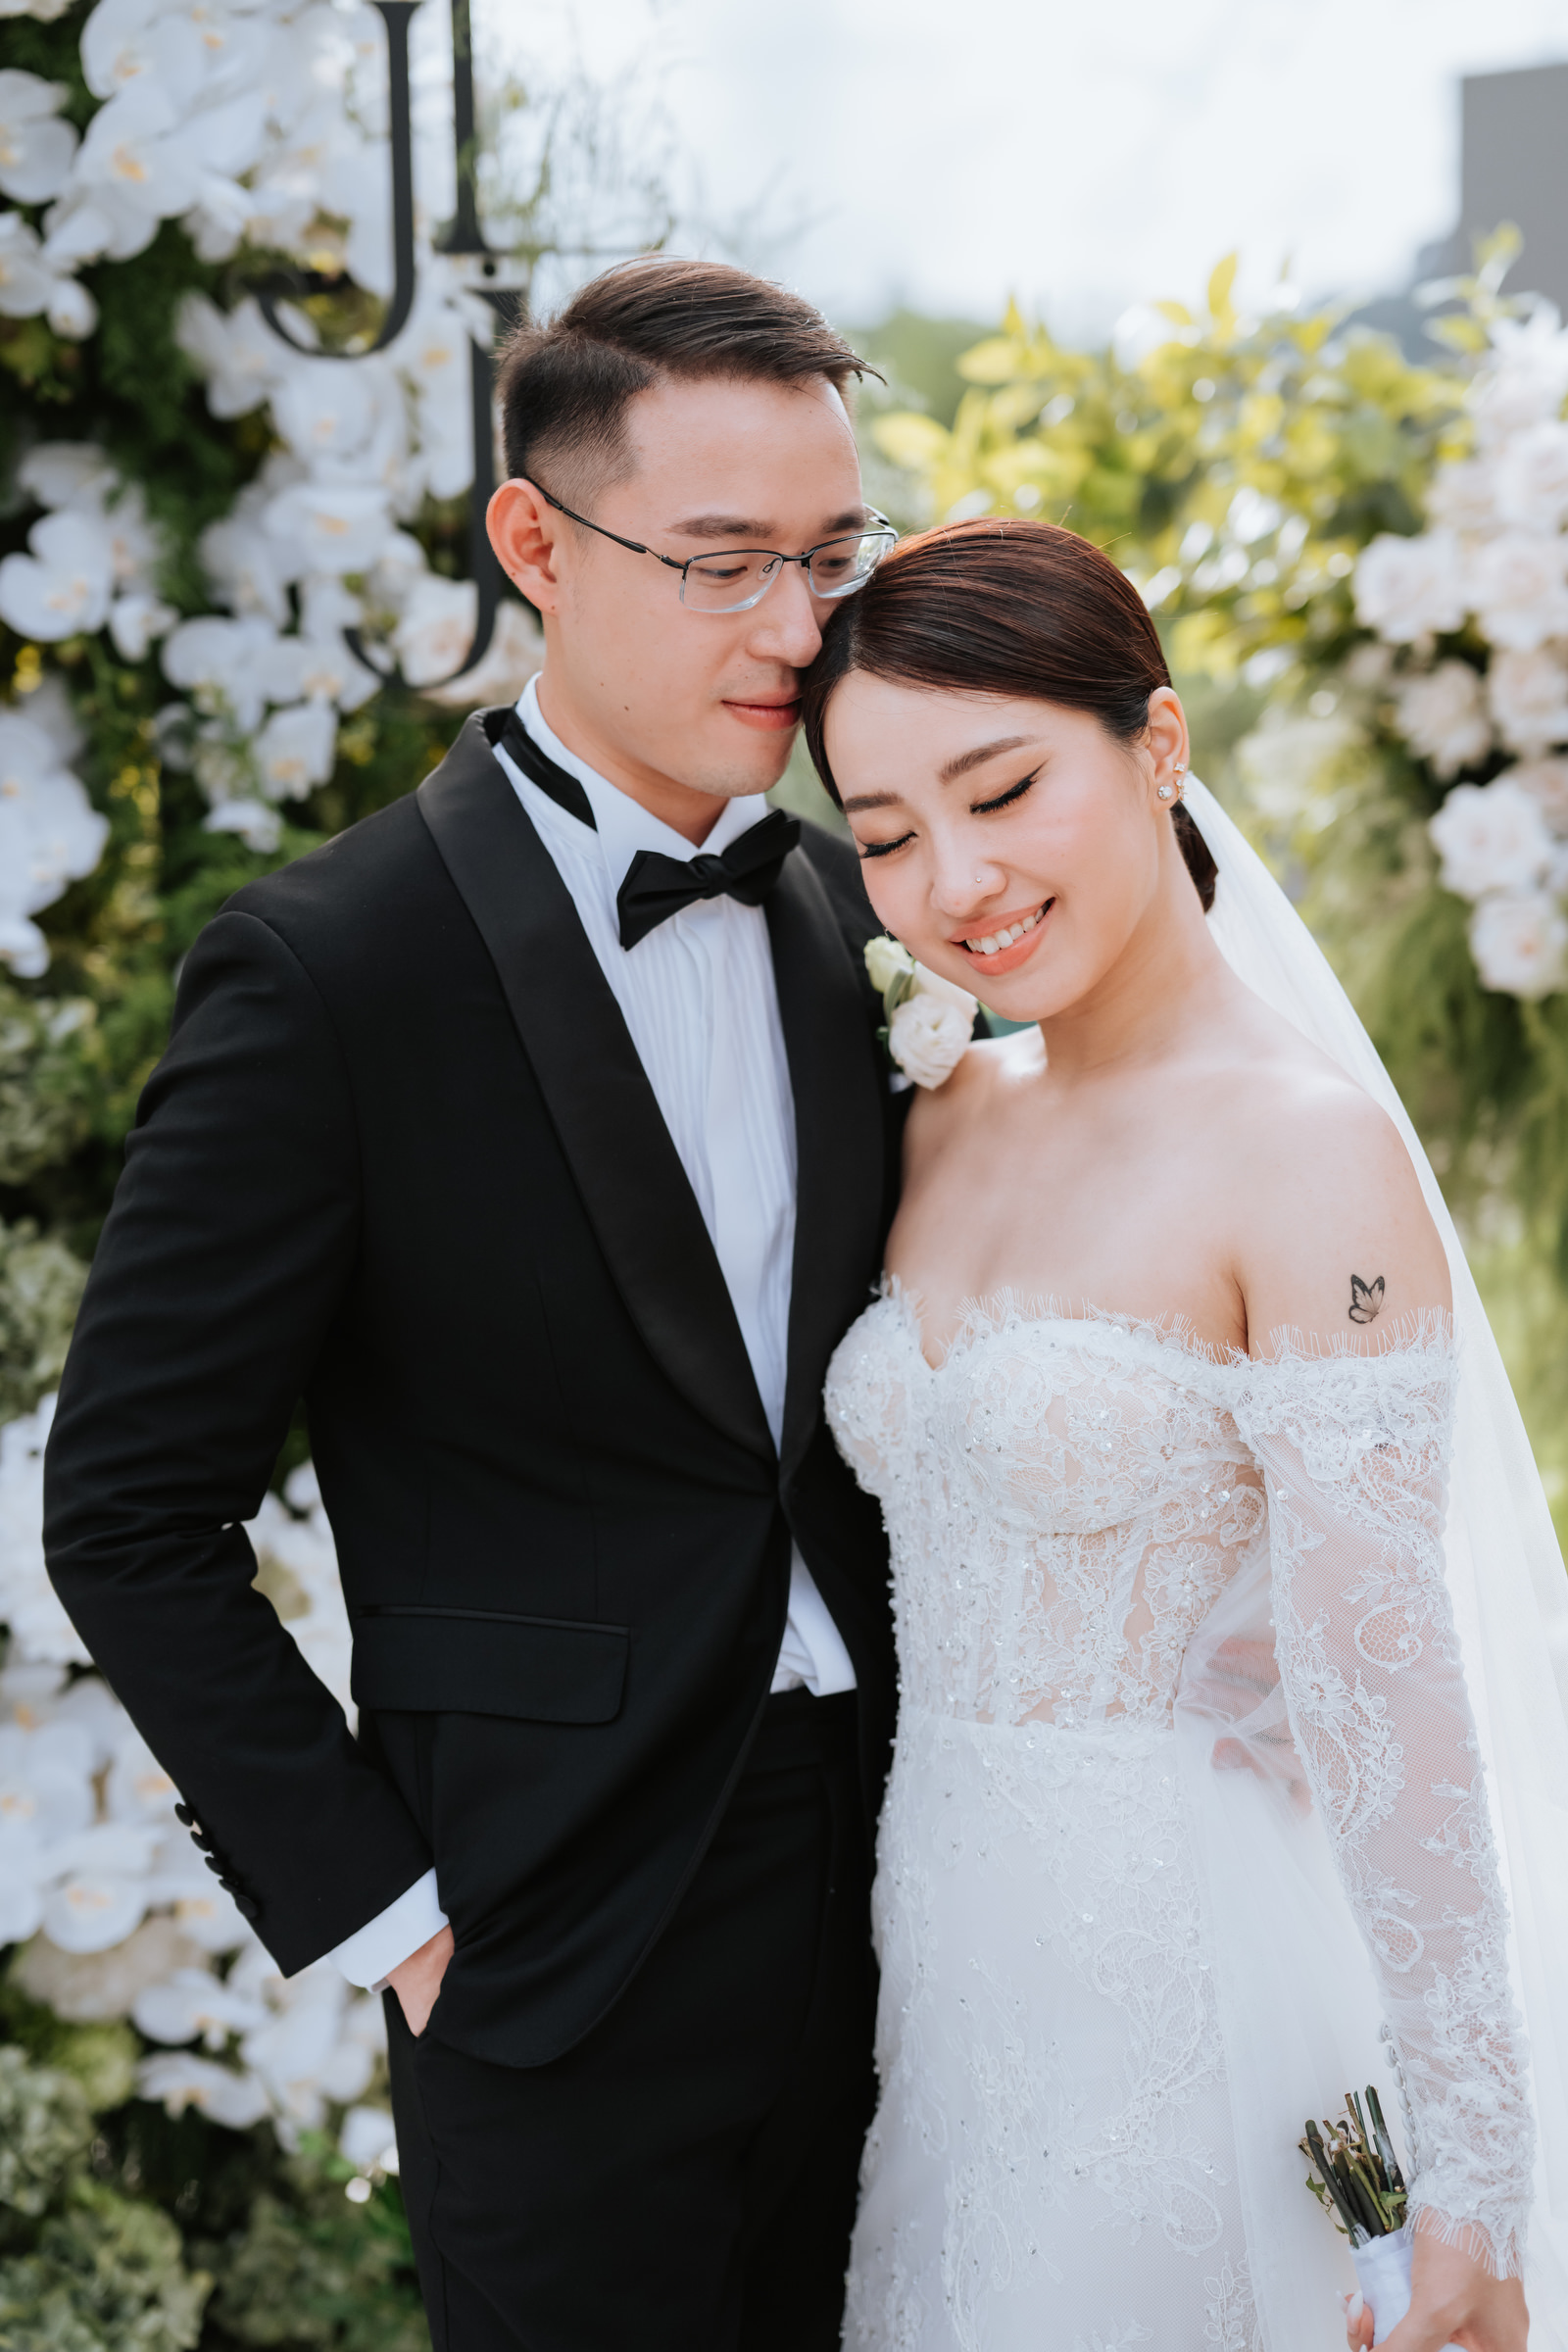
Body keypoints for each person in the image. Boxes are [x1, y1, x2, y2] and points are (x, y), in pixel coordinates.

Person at [42, 257, 909, 2351]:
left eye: (829, 557)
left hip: (905, 1891)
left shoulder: (844, 904)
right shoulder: (326, 967)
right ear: (536, 542)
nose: (797, 630)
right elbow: (128, 1514)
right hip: (549, 1941)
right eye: (722, 562)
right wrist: (394, 1920)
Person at [800, 518, 1568, 2352]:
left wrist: (1475, 2178)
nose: (954, 879)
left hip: (1187, 1965)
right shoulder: (942, 1114)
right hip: (938, 1956)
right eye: (886, 835)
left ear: (1158, 743)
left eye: (1004, 790)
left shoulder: (1306, 1155)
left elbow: (1391, 1691)